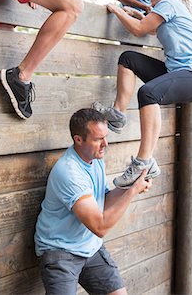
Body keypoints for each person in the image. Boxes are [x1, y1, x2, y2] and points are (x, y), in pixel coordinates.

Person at [92, 0, 192, 189]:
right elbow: (153, 27)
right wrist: (135, 13)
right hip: (177, 71)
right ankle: (117, 114)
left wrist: (118, 10)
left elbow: (140, 30)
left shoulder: (169, 3)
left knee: (147, 93)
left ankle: (143, 161)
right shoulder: (172, 9)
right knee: (128, 59)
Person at [34, 108, 151, 295]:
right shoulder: (69, 172)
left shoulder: (95, 159)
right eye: (98, 139)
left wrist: (131, 186)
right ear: (78, 139)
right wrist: (132, 193)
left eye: (105, 137)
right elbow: (100, 227)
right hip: (60, 250)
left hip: (89, 247)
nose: (105, 144)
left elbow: (104, 199)